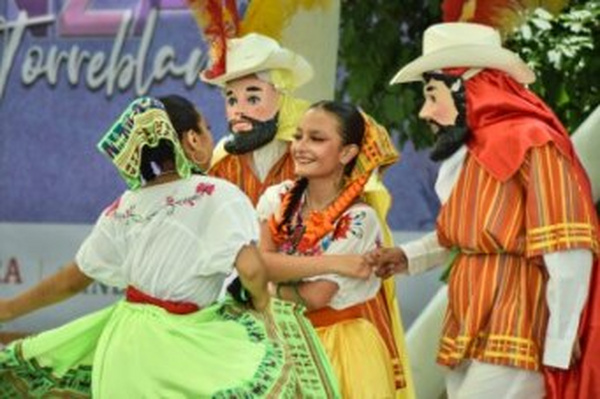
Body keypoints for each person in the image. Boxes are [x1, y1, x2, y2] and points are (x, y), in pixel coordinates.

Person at [0, 97, 340, 397]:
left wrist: (9, 309)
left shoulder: (124, 206)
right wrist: (263, 306)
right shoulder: (217, 194)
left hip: (121, 343)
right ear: (191, 139)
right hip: (177, 346)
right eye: (206, 129)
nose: (211, 137)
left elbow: (72, 280)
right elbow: (251, 269)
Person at [369, 22, 599, 398]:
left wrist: (560, 340)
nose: (425, 113)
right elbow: (460, 235)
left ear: (468, 88)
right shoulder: (470, 154)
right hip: (468, 316)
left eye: (432, 94)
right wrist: (406, 256)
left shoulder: (534, 143)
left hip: (518, 319)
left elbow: (567, 248)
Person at [257, 100, 409, 398]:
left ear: (347, 153)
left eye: (316, 139)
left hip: (340, 348)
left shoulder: (358, 218)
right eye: (298, 136)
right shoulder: (277, 198)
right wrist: (335, 263)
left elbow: (316, 297)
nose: (300, 146)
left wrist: (269, 284)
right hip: (282, 341)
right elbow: (258, 266)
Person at [202, 32, 313, 206]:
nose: (238, 112)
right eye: (231, 100)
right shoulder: (221, 169)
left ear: (281, 99)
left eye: (253, 99)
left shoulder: (311, 162)